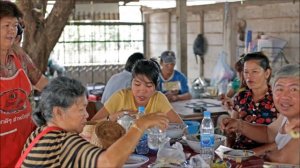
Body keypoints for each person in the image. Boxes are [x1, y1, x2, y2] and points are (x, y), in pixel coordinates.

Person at [16, 76, 169, 167]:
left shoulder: (40, 132)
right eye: (81, 109)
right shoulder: (63, 141)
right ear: (58, 112)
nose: (87, 115)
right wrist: (140, 125)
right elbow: (109, 163)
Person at [0, 1, 48, 167]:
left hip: (26, 141)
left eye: (14, 25)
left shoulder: (20, 57)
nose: (12, 30)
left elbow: (44, 85)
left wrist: (68, 98)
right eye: (6, 25)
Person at [221, 64, 300, 165]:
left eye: (294, 89)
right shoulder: (286, 117)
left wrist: (251, 154)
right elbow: (269, 133)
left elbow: (281, 160)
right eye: (280, 89)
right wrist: (239, 125)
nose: (285, 96)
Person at [92, 59, 183, 124]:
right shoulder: (121, 97)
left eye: (148, 85)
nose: (142, 91)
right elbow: (91, 124)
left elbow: (180, 125)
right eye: (137, 84)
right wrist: (114, 116)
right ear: (131, 82)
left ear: (156, 86)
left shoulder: (158, 98)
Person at [221, 52, 279, 151]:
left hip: (267, 156)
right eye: (246, 72)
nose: (249, 76)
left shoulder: (277, 99)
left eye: (255, 71)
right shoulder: (240, 97)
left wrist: (253, 153)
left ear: (267, 73)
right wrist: (227, 128)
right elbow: (232, 133)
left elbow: (282, 140)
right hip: (240, 154)